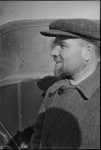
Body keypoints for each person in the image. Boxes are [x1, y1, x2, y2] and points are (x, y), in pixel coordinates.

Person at [31, 18, 100, 149]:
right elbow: (38, 136)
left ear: (87, 52)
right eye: (54, 45)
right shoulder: (54, 91)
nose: (53, 52)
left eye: (62, 46)